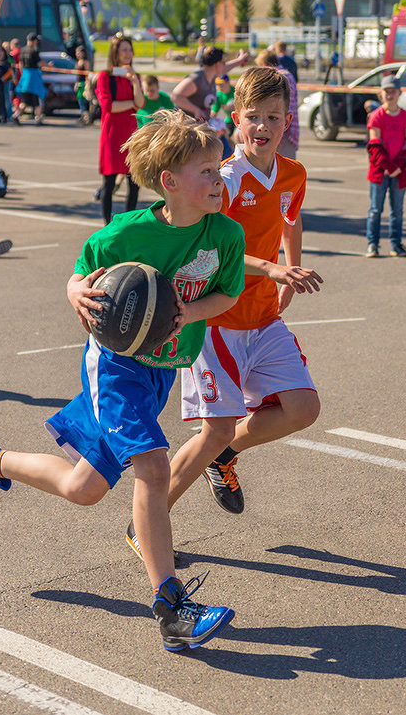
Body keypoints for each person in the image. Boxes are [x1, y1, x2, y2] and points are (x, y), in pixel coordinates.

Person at [0, 109, 244, 652]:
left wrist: (188, 312)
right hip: (115, 365)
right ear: (170, 183)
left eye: (218, 166)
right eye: (205, 170)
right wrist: (73, 292)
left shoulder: (225, 234)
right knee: (153, 468)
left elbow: (228, 294)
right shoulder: (127, 234)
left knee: (83, 489)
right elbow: (79, 274)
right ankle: (172, 608)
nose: (218, 177)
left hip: (161, 372)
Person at [162, 66, 323, 527]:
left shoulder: (293, 174)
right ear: (235, 118)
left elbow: (290, 219)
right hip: (218, 320)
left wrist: (288, 271)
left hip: (264, 316)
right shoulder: (226, 180)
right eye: (253, 116)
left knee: (302, 408)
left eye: (274, 117)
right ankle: (148, 519)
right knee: (216, 428)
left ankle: (224, 457)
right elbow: (215, 250)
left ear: (287, 121)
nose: (263, 127)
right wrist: (272, 267)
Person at [96, 34, 144, 223]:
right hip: (112, 134)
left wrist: (134, 81)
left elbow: (140, 103)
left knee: (134, 182)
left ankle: (128, 221)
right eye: (124, 50)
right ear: (115, 52)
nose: (128, 53)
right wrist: (130, 103)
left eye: (130, 50)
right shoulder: (105, 76)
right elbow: (108, 106)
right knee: (108, 183)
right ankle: (107, 224)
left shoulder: (135, 76)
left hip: (130, 134)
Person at [365, 76, 406, 258]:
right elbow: (374, 144)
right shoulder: (376, 116)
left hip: (400, 170)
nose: (390, 95)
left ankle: (396, 244)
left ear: (399, 93)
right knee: (375, 209)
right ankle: (372, 244)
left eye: (393, 91)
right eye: (386, 91)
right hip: (379, 170)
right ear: (381, 93)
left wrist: (398, 166)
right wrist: (388, 166)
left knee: (397, 211)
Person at [171, 46, 249, 122]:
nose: (225, 65)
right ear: (217, 64)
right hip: (185, 126)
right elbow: (176, 96)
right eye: (223, 62)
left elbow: (225, 68)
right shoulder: (197, 78)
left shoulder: (211, 76)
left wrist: (239, 60)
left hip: (197, 126)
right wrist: (196, 110)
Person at [256, 49, 299, 160]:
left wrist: (281, 134)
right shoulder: (288, 75)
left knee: (280, 172)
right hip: (291, 129)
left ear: (264, 65)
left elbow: (281, 108)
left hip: (282, 132)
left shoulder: (276, 78)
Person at [15, 33, 48, 124]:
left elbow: (21, 64)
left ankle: (16, 115)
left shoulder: (23, 50)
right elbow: (40, 63)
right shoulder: (34, 51)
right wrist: (48, 65)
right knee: (37, 98)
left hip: (25, 76)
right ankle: (38, 118)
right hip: (33, 77)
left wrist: (23, 75)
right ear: (34, 41)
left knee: (25, 100)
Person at [74, 45, 93, 125]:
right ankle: (82, 115)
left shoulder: (85, 62)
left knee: (85, 101)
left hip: (83, 84)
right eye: (76, 52)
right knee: (80, 100)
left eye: (79, 52)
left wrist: (87, 85)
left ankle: (87, 117)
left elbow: (87, 74)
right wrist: (76, 84)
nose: (77, 54)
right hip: (78, 84)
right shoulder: (78, 62)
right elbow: (77, 75)